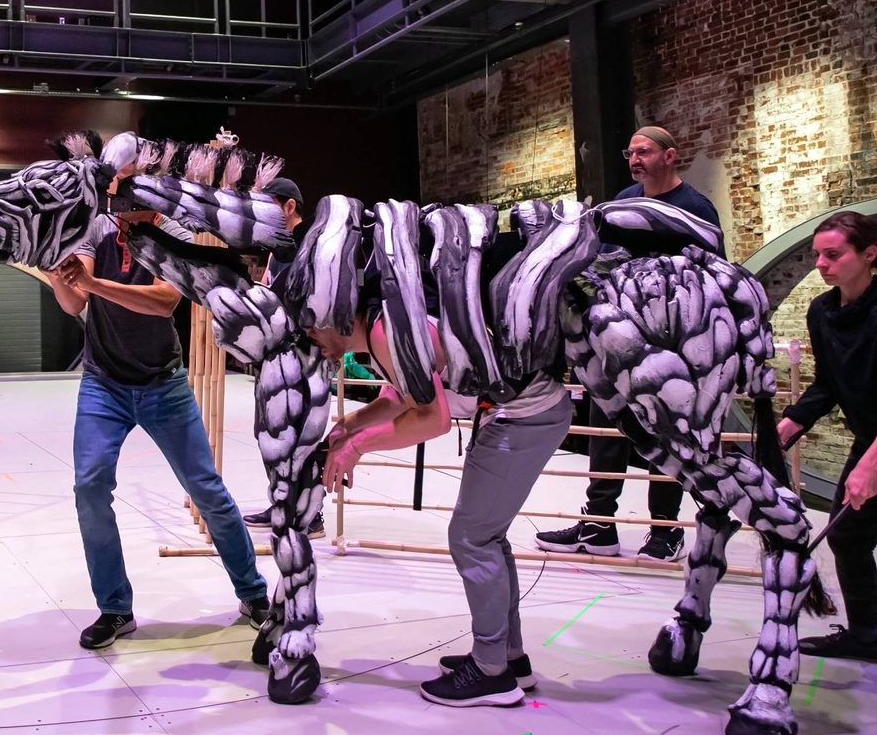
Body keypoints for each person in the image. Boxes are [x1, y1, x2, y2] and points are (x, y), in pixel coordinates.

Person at [309, 292, 571, 708]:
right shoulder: (382, 328)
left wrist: (357, 447)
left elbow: (433, 419)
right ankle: (506, 657)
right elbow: (401, 398)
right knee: (487, 537)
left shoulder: (385, 330)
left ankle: (492, 674)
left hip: (523, 415)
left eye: (310, 320)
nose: (309, 333)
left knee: (472, 538)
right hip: (517, 413)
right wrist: (348, 428)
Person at [47, 177, 270, 651]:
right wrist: (59, 280)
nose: (128, 211)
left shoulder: (178, 237)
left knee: (206, 489)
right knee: (89, 487)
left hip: (163, 383)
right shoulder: (97, 229)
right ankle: (115, 608)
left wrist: (87, 283)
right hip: (103, 382)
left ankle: (253, 593)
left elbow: (164, 301)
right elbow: (74, 302)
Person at [536, 124, 722, 562]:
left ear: (670, 156)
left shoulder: (695, 208)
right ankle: (598, 526)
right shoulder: (623, 202)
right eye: (630, 152)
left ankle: (665, 531)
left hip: (669, 343)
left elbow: (712, 276)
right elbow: (599, 260)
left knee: (663, 430)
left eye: (644, 151)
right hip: (615, 338)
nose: (635, 159)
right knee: (605, 430)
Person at [777, 210, 877, 661]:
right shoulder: (822, 311)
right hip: (868, 437)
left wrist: (871, 465)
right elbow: (828, 383)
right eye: (818, 255)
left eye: (833, 255)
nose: (821, 264)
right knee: (849, 536)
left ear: (870, 254)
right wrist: (789, 424)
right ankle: (869, 635)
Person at [242, 178, 326, 536]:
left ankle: (310, 516)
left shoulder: (310, 244)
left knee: (300, 437)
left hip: (303, 354)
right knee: (270, 432)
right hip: (276, 351)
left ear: (289, 207)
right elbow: (267, 287)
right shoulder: (279, 247)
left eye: (270, 205)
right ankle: (282, 505)